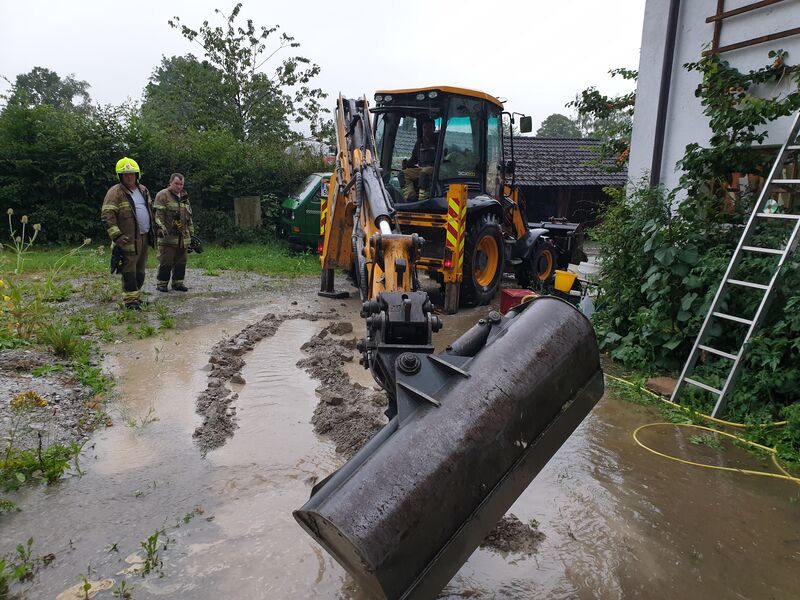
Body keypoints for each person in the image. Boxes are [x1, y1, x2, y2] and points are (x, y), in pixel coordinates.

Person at [101, 157, 155, 310]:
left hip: (144, 237)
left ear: (137, 174)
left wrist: (156, 229)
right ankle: (130, 301)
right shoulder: (115, 192)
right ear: (120, 176)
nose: (129, 177)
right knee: (129, 270)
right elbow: (107, 215)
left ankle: (136, 297)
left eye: (132, 174)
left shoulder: (143, 190)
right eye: (126, 175)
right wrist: (116, 236)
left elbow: (151, 211)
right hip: (127, 239)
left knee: (140, 270)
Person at [154, 173, 195, 292]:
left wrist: (191, 235)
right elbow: (158, 215)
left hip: (183, 238)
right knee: (166, 262)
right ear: (170, 182)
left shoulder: (185, 197)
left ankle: (178, 283)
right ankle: (162, 284)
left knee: (181, 262)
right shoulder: (162, 195)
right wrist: (161, 229)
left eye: (181, 184)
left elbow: (189, 218)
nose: (179, 186)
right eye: (176, 183)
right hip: (168, 237)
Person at [402, 118, 438, 201]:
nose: (427, 130)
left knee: (424, 173)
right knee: (403, 174)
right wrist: (406, 163)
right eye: (425, 128)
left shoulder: (439, 141)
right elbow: (413, 160)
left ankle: (423, 199)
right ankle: (411, 197)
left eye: (429, 128)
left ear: (434, 129)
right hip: (421, 169)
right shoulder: (419, 142)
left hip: (435, 169)